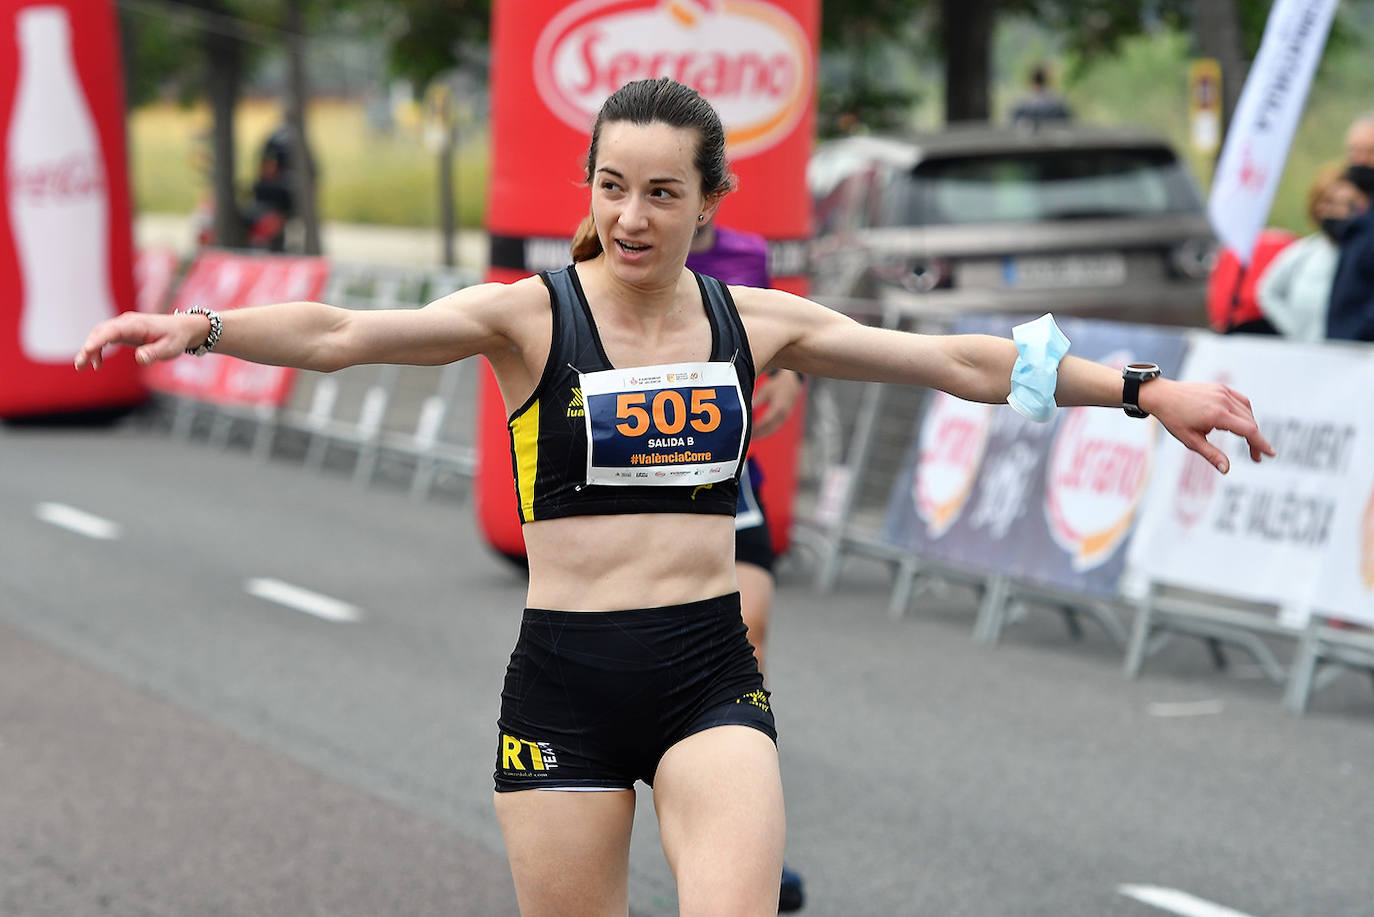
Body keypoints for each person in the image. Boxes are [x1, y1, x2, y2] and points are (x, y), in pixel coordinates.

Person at [75, 78, 1273, 916]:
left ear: (709, 203)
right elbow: (344, 330)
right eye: (612, 187)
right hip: (566, 679)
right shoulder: (529, 314)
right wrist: (210, 322)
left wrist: (1141, 387)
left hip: (706, 669)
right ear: (589, 190)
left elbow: (957, 359)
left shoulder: (755, 323)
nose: (631, 216)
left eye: (660, 192)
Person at [684, 217, 807, 911]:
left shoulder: (748, 255)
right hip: (633, 476)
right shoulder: (608, 248)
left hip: (726, 466)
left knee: (750, 628)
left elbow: (784, 331)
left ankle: (747, 842)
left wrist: (787, 374)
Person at [1257, 164, 1369, 342]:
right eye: (1329, 202)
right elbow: (1268, 292)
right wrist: (1297, 332)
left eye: (1348, 204)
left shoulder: (1363, 255)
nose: (1336, 211)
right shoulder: (1305, 252)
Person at [1326, 111, 1374, 340]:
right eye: (1354, 150)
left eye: (1369, 151)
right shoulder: (1359, 220)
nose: (1360, 160)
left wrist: (1355, 333)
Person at [1009, 64, 1073, 128]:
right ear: (1047, 81)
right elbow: (1068, 121)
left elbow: (1013, 122)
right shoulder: (1057, 103)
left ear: (1031, 81)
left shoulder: (1022, 104)